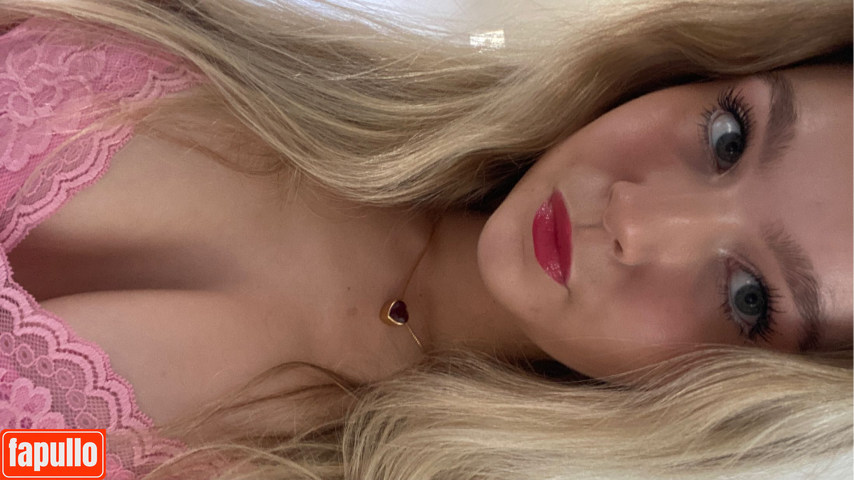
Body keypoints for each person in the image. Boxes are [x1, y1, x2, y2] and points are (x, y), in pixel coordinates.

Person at [0, 0, 850, 478]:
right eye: (729, 137)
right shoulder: (325, 45)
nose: (636, 218)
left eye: (749, 297)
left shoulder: (294, 465)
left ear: (754, 404)